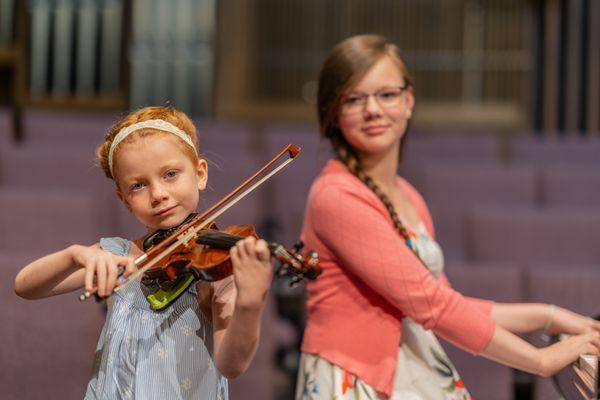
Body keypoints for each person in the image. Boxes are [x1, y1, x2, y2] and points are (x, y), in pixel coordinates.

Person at [295, 34, 600, 400]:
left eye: (386, 95)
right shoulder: (335, 195)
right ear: (333, 112)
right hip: (356, 379)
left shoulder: (408, 196)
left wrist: (551, 316)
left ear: (408, 101)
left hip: (408, 367)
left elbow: (449, 301)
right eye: (354, 99)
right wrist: (538, 359)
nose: (373, 109)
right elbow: (431, 305)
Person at [14, 106, 274, 399]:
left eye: (171, 174)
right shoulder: (118, 256)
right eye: (138, 185)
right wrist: (75, 255)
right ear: (124, 199)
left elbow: (232, 365)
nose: (158, 194)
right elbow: (25, 286)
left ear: (199, 174)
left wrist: (250, 304)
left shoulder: (216, 267)